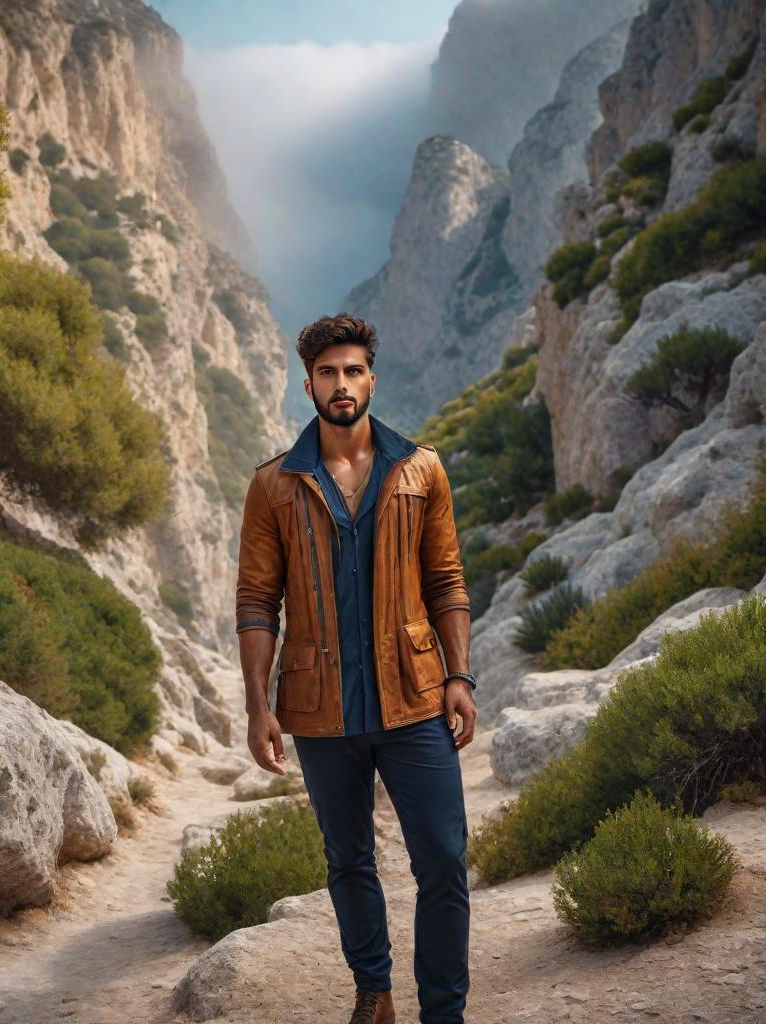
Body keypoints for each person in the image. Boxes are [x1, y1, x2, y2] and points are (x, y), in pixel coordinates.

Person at [235, 313, 476, 1024]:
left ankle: (445, 1012)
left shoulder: (421, 467)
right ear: (307, 383)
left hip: (417, 699)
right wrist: (257, 706)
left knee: (443, 860)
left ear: (371, 378)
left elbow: (448, 581)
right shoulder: (274, 485)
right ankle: (374, 993)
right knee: (348, 861)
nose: (341, 385)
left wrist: (459, 677)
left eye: (352, 371)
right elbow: (257, 601)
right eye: (327, 373)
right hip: (320, 708)